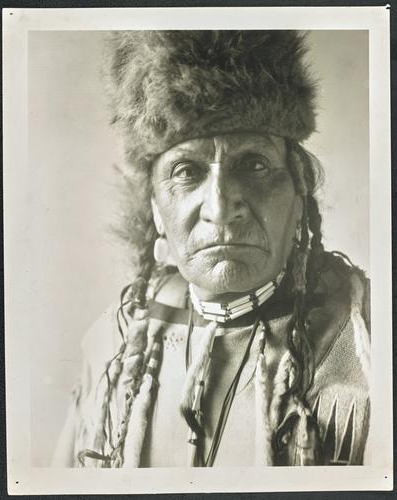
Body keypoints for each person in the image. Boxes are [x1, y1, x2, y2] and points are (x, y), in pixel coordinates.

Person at [52, 30, 370, 468]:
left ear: (300, 195)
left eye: (254, 164)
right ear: (156, 210)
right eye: (186, 170)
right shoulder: (115, 345)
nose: (221, 208)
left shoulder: (365, 346)